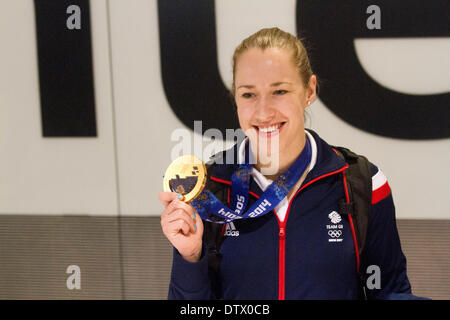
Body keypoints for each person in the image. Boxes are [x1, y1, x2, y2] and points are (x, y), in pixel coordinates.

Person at [159, 27, 421, 300]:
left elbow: (390, 291)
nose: (263, 111)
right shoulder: (207, 188)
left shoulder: (362, 183)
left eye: (280, 91)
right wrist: (190, 257)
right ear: (234, 97)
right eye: (248, 94)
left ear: (309, 90)